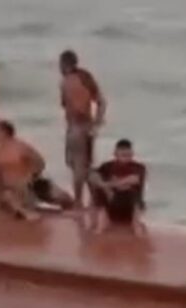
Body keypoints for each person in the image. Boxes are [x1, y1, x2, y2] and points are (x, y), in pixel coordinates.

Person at [0, 120, 73, 220]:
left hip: (32, 184)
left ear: (4, 132)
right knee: (8, 196)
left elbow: (40, 162)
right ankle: (24, 210)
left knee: (67, 200)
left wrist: (30, 175)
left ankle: (31, 207)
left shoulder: (21, 147)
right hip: (13, 191)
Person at [59, 49, 106, 208]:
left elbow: (72, 106)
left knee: (77, 165)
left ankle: (79, 201)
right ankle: (95, 199)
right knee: (85, 164)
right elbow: (101, 102)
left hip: (77, 126)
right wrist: (96, 123)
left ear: (64, 65)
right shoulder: (85, 77)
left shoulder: (69, 81)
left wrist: (83, 121)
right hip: (86, 126)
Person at [89, 139, 147, 235]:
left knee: (134, 194)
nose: (126, 158)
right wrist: (104, 187)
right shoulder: (107, 166)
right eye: (123, 155)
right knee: (99, 191)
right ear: (115, 154)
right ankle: (101, 225)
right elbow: (92, 175)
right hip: (113, 206)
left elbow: (133, 179)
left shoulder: (139, 167)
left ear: (132, 154)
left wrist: (109, 185)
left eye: (128, 155)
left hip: (130, 208)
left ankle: (136, 225)